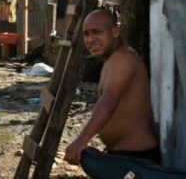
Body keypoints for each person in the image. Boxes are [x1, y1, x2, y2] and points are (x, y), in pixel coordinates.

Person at [64, 9, 160, 168]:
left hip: (137, 159)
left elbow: (109, 100)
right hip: (122, 155)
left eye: (97, 32)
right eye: (86, 34)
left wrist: (81, 141)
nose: (90, 39)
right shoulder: (111, 60)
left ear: (115, 31)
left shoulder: (123, 58)